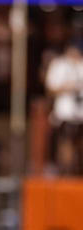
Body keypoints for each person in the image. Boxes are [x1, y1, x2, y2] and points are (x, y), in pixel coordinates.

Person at [45, 42, 83, 175]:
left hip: (80, 112)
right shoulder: (60, 65)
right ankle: (66, 172)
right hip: (66, 112)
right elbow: (51, 88)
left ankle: (77, 171)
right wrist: (69, 87)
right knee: (66, 141)